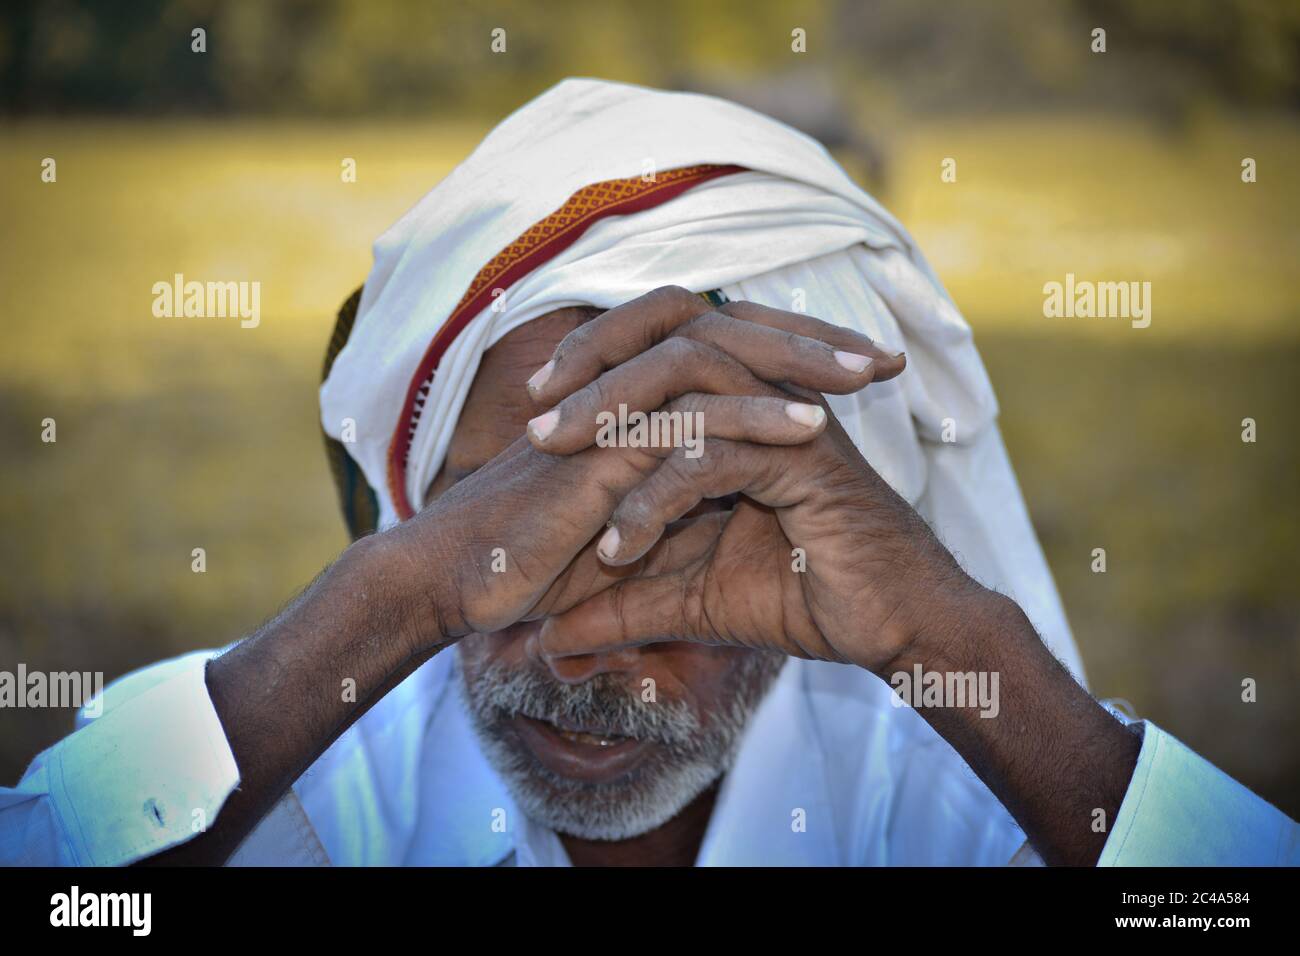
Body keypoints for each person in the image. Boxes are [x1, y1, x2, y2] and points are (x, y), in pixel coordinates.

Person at [1, 79, 1295, 867]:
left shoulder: (941, 796)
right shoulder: (316, 789)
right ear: (415, 520)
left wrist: (943, 626)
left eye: (675, 545)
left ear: (825, 543)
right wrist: (387, 603)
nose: (579, 652)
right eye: (504, 537)